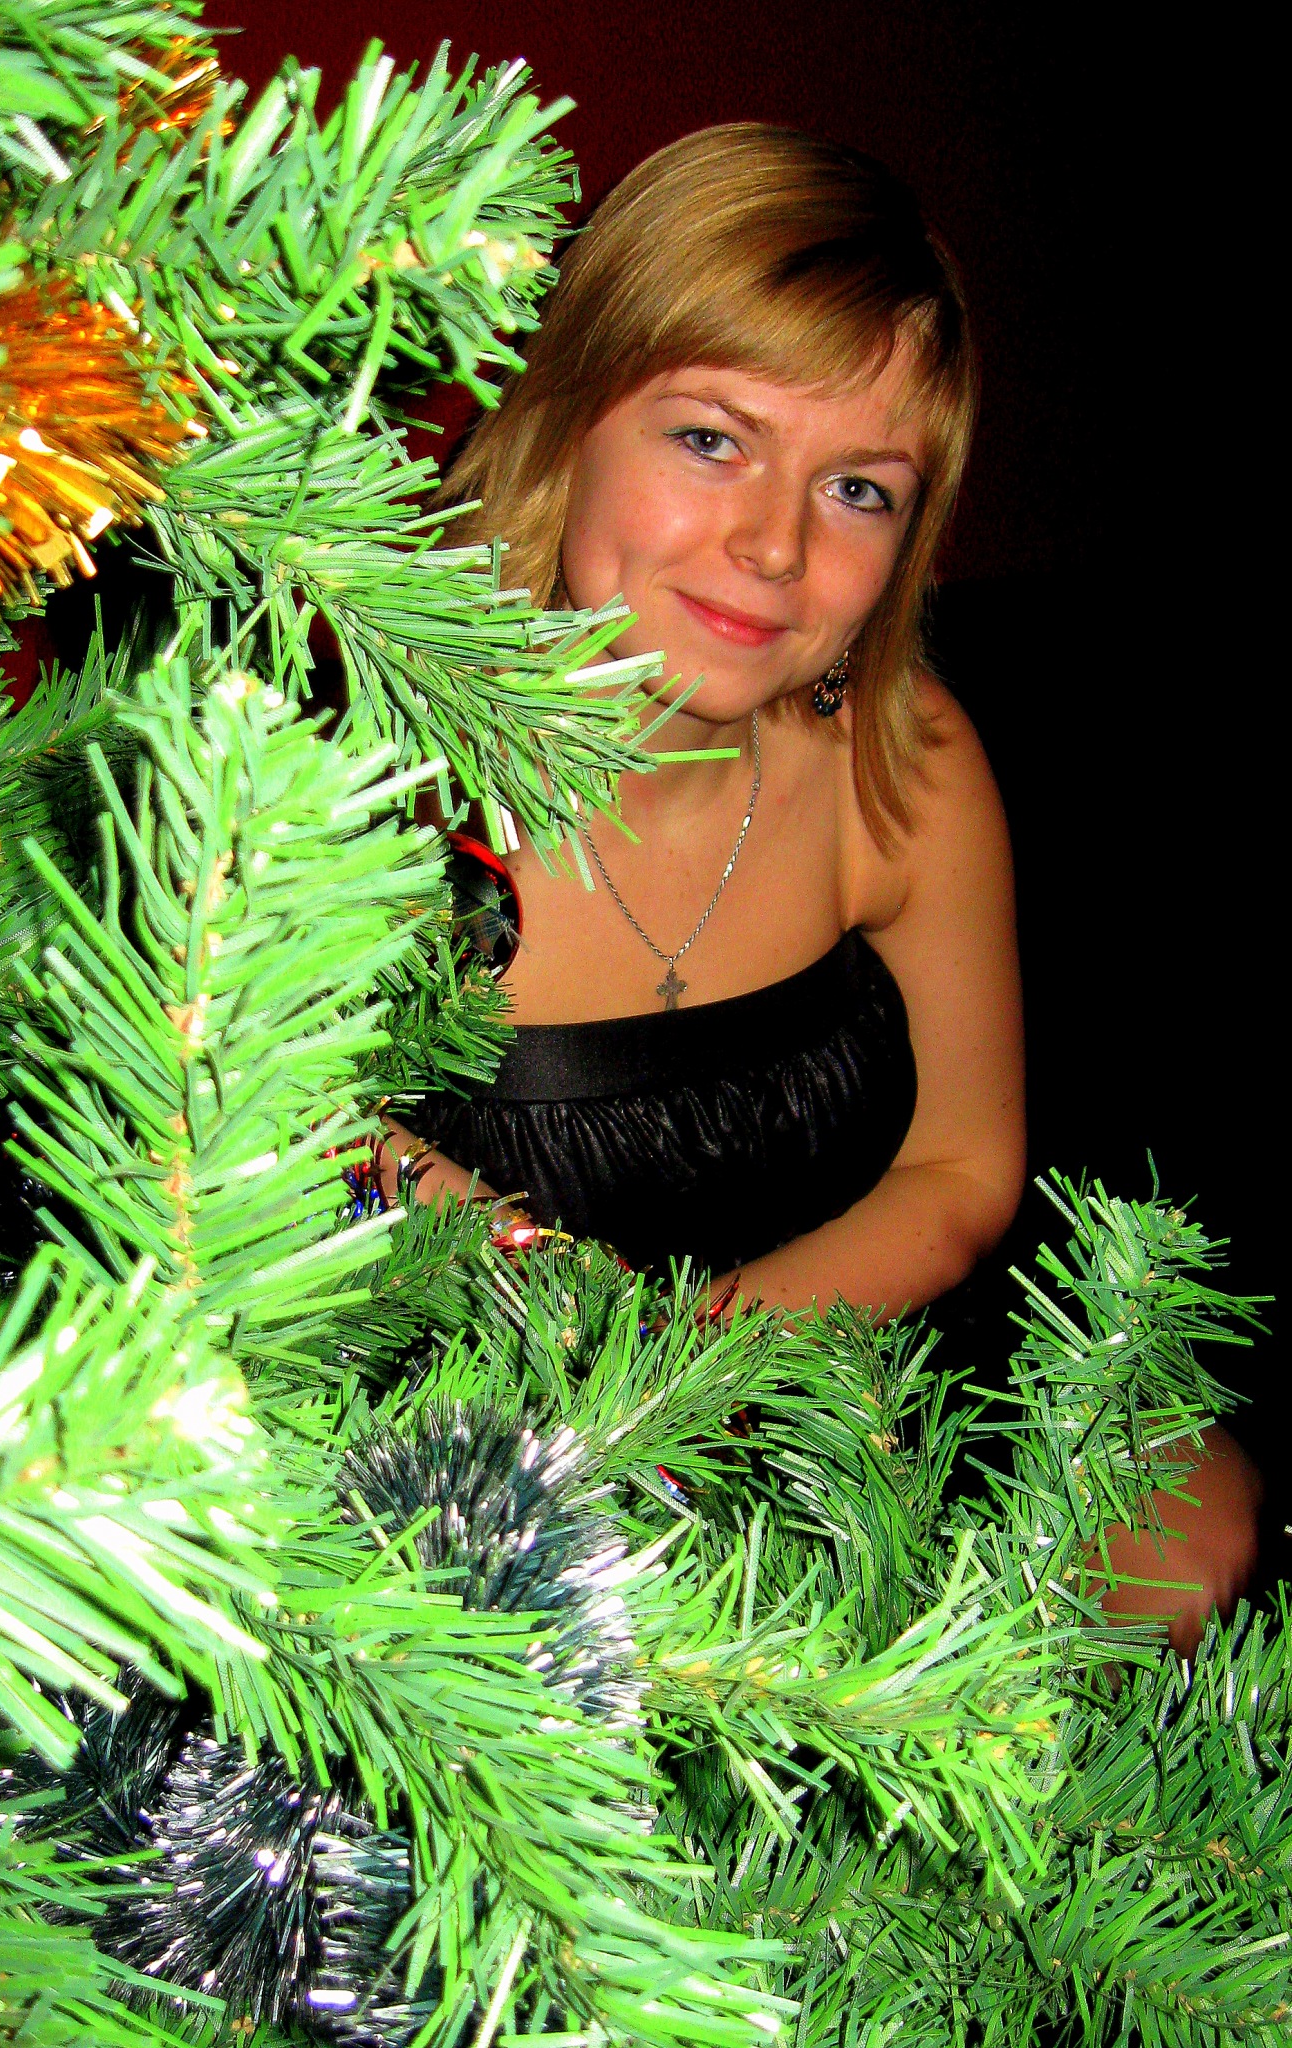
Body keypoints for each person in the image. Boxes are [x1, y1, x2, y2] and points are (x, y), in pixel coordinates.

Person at [377, 124, 1260, 1654]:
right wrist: (616, 1382)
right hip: (496, 1422)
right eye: (709, 440)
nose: (775, 545)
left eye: (856, 488)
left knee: (1188, 1542)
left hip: (859, 1366)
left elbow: (960, 1174)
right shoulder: (358, 783)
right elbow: (291, 1154)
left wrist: (709, 1367)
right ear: (564, 419)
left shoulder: (900, 765)